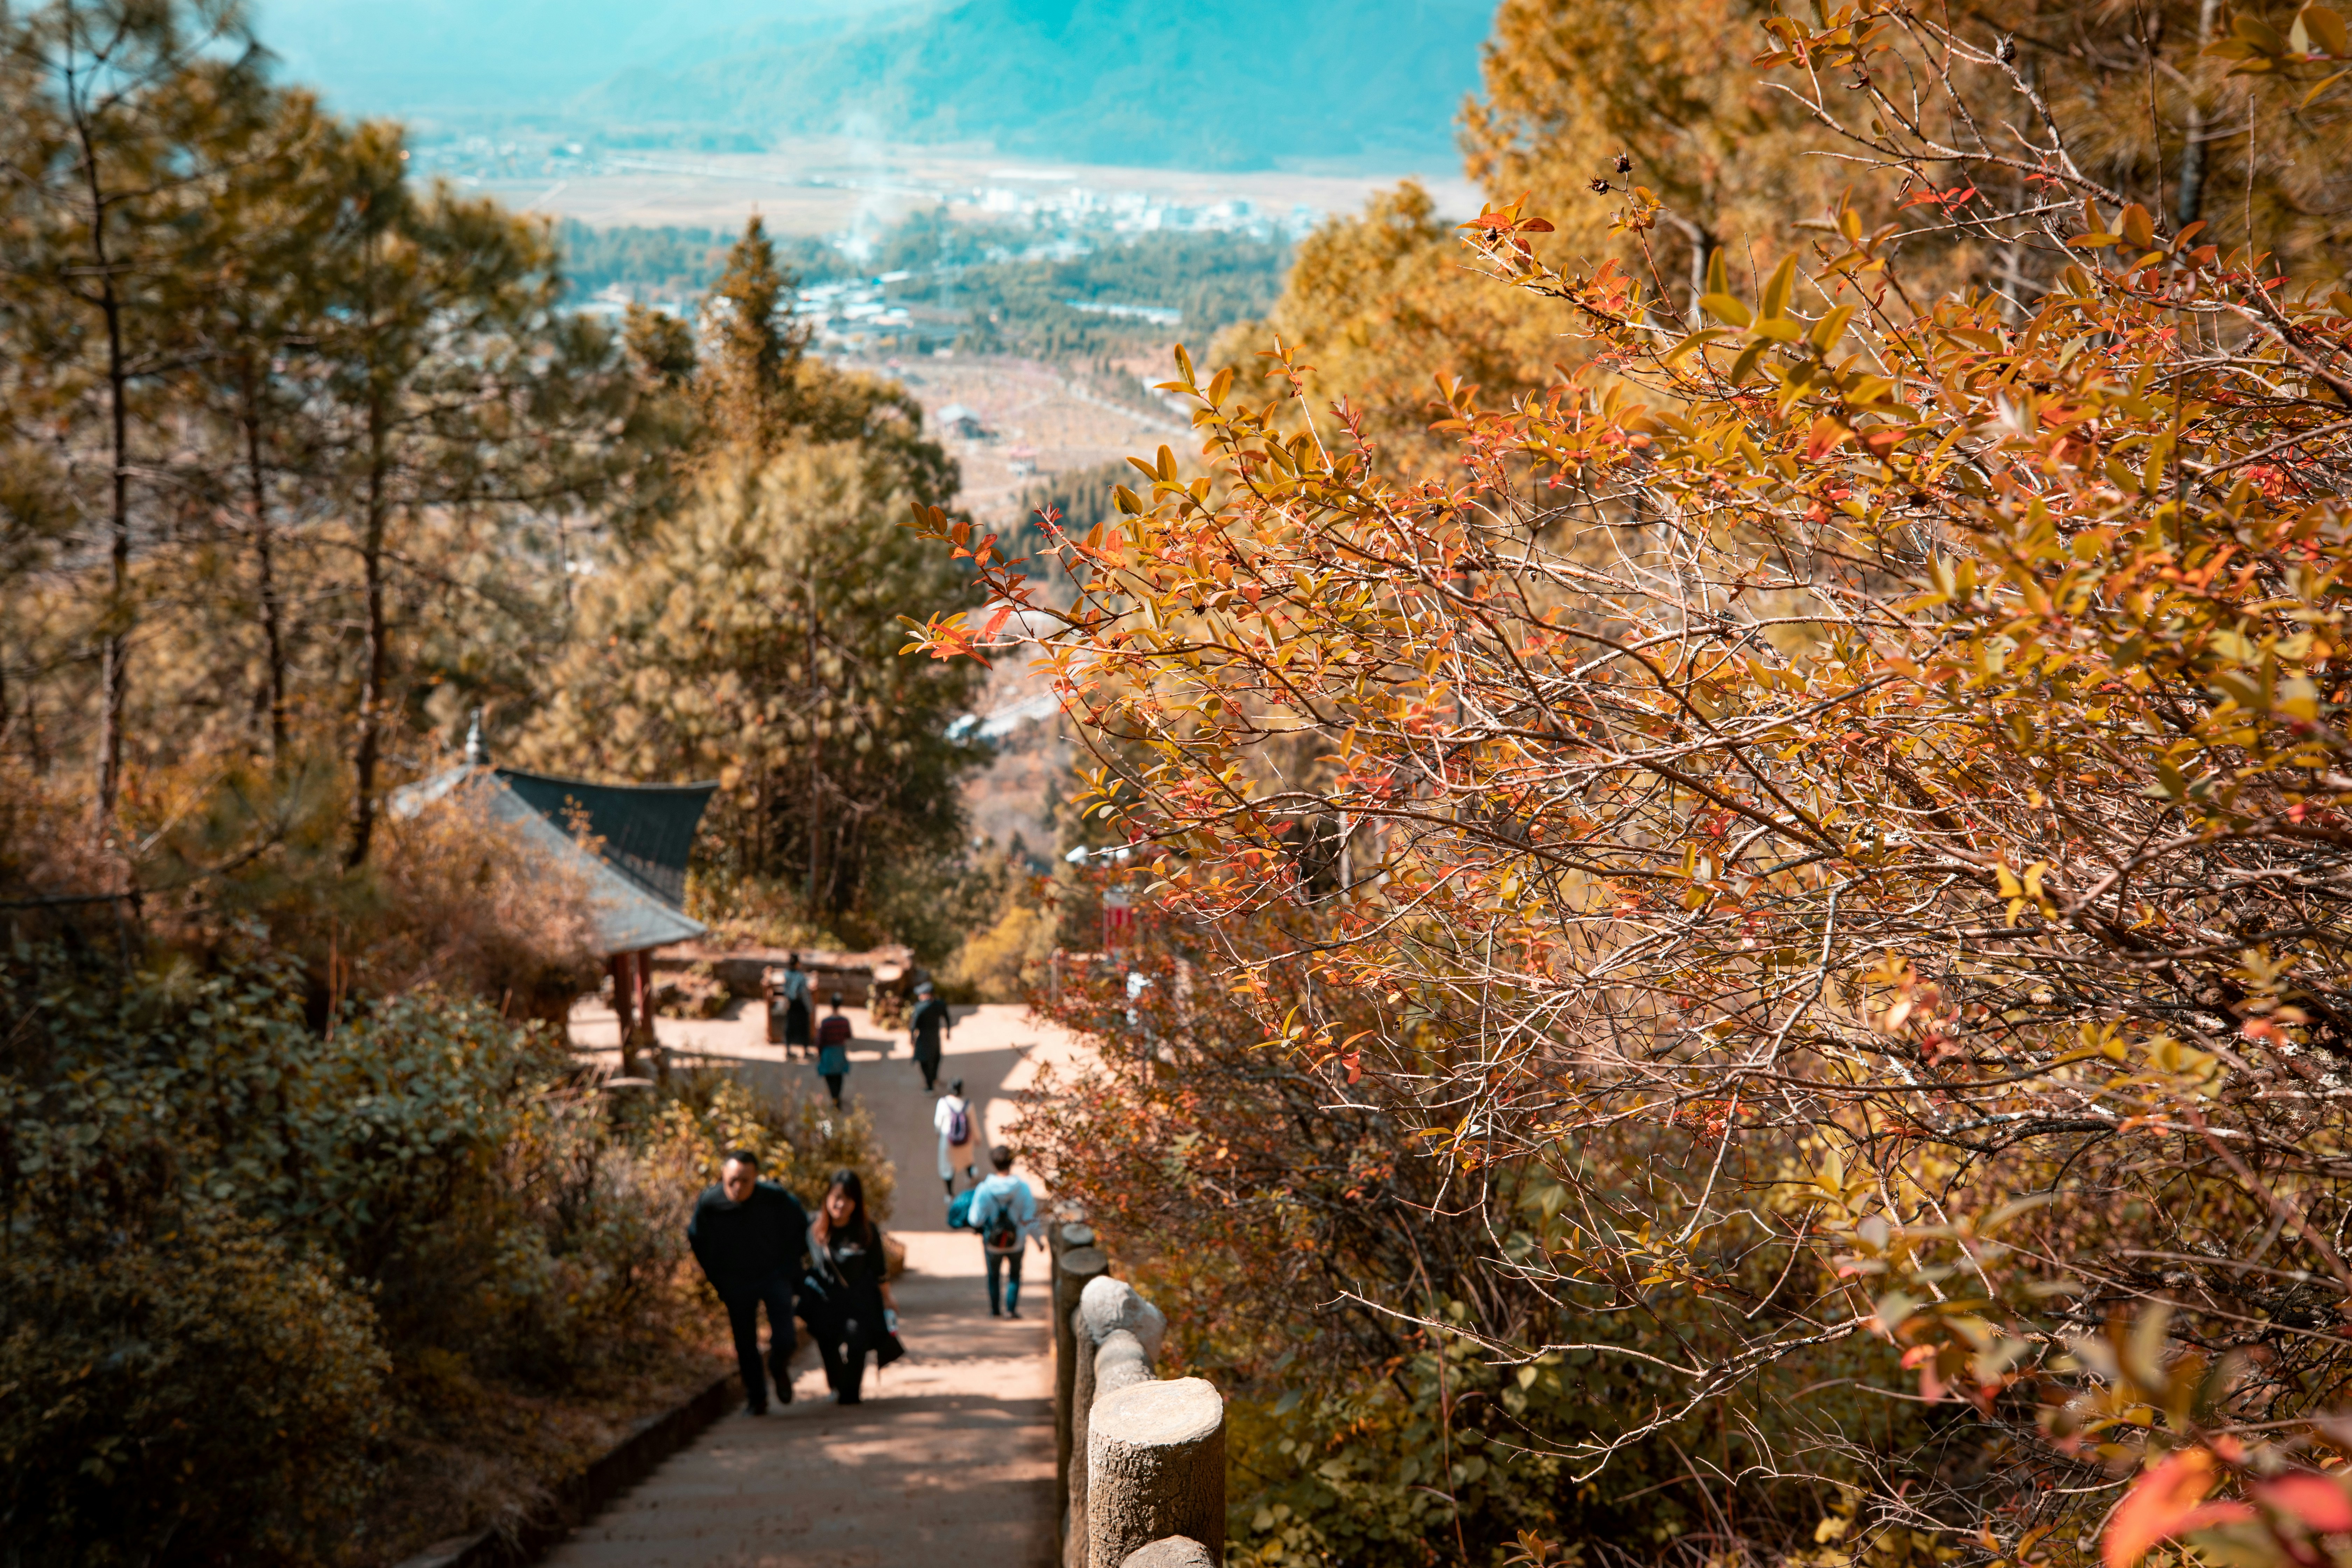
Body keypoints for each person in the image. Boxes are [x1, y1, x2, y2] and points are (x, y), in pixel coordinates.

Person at [686, 1148, 810, 1414]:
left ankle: (779, 1366)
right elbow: (698, 1240)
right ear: (723, 1176)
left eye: (746, 1181)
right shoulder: (710, 1203)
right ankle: (757, 1398)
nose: (738, 1187)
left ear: (756, 1178)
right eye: (733, 1180)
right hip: (736, 1282)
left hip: (774, 1275)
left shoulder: (775, 1198)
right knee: (745, 1343)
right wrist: (718, 1279)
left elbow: (802, 1227)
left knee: (786, 1338)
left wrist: (790, 1267)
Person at [801, 1168, 896, 1404]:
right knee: (827, 1343)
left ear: (857, 1202)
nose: (840, 1204)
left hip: (858, 1300)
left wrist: (888, 1300)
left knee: (857, 1342)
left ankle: (851, 1392)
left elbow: (879, 1268)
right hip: (825, 1301)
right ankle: (836, 1383)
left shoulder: (866, 1231)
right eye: (836, 1197)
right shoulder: (815, 1229)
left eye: (847, 1199)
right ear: (827, 1198)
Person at [966, 1147, 1042, 1319]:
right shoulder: (1023, 1189)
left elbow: (974, 1220)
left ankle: (995, 1310)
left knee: (994, 1276)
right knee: (1014, 1276)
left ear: (993, 1163)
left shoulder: (984, 1189)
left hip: (992, 1243)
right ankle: (1011, 1310)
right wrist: (1039, 1241)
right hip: (1017, 1241)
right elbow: (1031, 1219)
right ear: (1012, 1162)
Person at [933, 1077, 976, 1197]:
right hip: (965, 1141)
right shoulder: (968, 1105)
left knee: (947, 1168)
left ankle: (949, 1194)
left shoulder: (943, 1103)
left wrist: (938, 1134)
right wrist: (978, 1138)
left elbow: (937, 1124)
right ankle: (971, 1178)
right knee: (967, 1160)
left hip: (948, 1141)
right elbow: (973, 1124)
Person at [908, 979, 953, 1091]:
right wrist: (948, 1032)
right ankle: (934, 1078)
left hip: (923, 1039)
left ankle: (930, 1087)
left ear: (926, 995)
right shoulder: (940, 1005)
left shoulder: (920, 1008)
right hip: (935, 1038)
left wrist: (912, 1038)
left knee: (924, 1062)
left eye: (921, 994)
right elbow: (947, 1018)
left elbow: (914, 1026)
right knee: (936, 1058)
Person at [815, 992, 851, 1106]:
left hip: (828, 1053)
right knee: (839, 1076)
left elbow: (820, 1041)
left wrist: (820, 1054)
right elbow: (849, 1035)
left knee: (830, 1077)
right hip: (839, 1051)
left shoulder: (826, 1023)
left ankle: (834, 1097)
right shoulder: (844, 1021)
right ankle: (837, 1097)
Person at [777, 953, 813, 1058]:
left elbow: (785, 990)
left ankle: (788, 1050)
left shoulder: (786, 975)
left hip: (791, 1004)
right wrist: (810, 1008)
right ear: (798, 964)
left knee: (790, 1027)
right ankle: (805, 1050)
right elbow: (805, 994)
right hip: (801, 1005)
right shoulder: (801, 977)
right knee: (804, 1028)